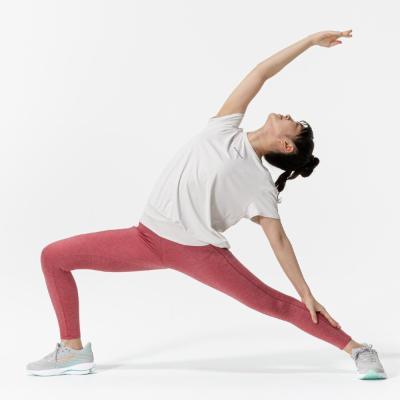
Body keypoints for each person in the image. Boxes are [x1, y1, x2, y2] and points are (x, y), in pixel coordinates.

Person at [26, 29, 387, 380]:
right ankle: (72, 351)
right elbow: (260, 73)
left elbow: (278, 240)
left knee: (274, 304)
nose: (289, 117)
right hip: (145, 238)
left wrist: (306, 292)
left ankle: (358, 350)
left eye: (294, 125)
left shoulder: (260, 185)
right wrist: (308, 42)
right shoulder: (225, 128)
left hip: (197, 252)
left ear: (286, 146)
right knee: (53, 257)